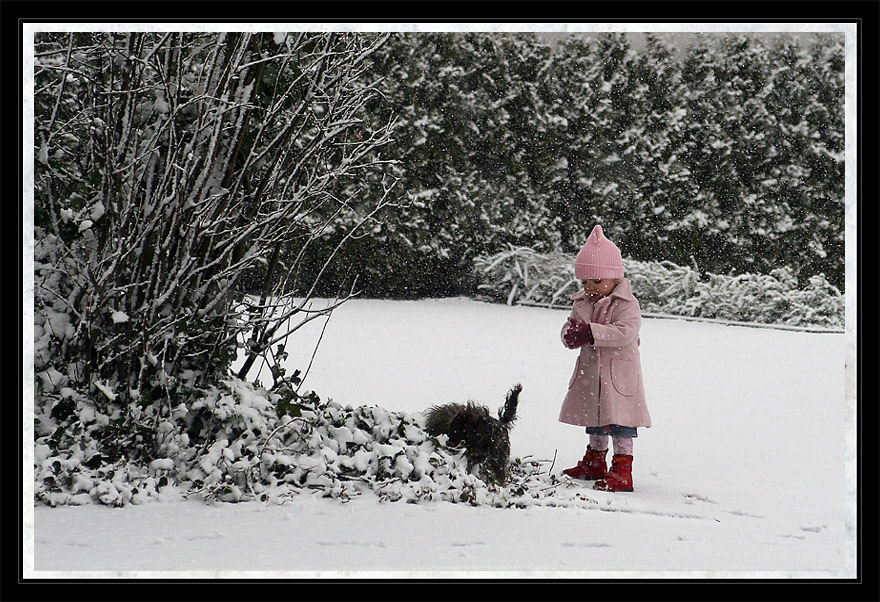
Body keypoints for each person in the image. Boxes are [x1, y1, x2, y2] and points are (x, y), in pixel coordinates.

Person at [558, 225, 651, 492]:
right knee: (595, 416)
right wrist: (570, 334)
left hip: (619, 374)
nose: (591, 288)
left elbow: (625, 332)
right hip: (591, 372)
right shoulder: (582, 301)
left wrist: (591, 332)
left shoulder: (627, 304)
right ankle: (595, 460)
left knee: (620, 421)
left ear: (615, 278)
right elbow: (571, 324)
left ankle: (622, 468)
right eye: (585, 283)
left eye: (597, 282)